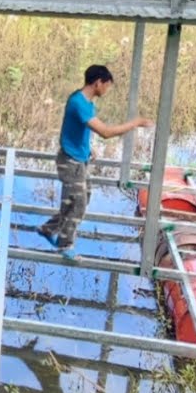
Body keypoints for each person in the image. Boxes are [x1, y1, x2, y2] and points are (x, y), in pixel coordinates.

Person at [37, 64, 153, 262]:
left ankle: (49, 229)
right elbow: (105, 132)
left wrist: (88, 148)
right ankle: (65, 244)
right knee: (79, 203)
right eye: (107, 85)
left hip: (79, 157)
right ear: (98, 82)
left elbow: (75, 129)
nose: (107, 90)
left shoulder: (87, 102)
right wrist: (136, 123)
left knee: (80, 198)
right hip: (70, 161)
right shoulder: (78, 102)